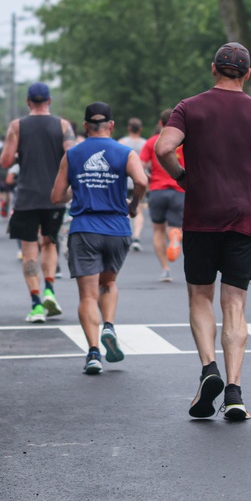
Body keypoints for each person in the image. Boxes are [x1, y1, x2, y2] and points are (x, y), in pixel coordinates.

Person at [156, 42, 251, 421]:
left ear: (213, 68)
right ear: (248, 74)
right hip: (244, 219)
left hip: (202, 217)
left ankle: (208, 370)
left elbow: (165, 147)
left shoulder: (189, 107)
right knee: (235, 303)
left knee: (200, 296)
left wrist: (185, 177)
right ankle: (234, 391)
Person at [51, 102, 147, 374]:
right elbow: (142, 182)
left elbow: (56, 197)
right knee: (108, 283)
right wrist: (134, 205)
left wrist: (77, 191)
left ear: (85, 126)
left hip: (85, 229)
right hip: (117, 228)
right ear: (111, 125)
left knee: (87, 295)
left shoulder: (73, 154)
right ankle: (109, 326)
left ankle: (94, 353)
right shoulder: (125, 152)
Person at [0, 82, 77, 323]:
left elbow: (5, 162)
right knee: (50, 243)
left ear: (28, 102)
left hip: (27, 196)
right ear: (50, 100)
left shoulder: (17, 126)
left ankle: (35, 305)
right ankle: (50, 291)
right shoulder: (63, 126)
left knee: (29, 249)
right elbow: (72, 157)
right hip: (55, 195)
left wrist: (18, 150)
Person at [140, 109, 185, 282]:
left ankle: (165, 269)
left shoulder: (152, 142)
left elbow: (141, 164)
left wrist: (147, 176)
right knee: (174, 227)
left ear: (160, 123)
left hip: (157, 190)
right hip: (179, 190)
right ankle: (174, 237)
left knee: (158, 230)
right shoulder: (183, 143)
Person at [119, 117, 147, 252]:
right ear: (140, 129)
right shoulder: (145, 144)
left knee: (124, 207)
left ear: (128, 128)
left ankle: (125, 233)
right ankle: (136, 237)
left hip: (125, 181)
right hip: (140, 180)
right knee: (139, 209)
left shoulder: (122, 143)